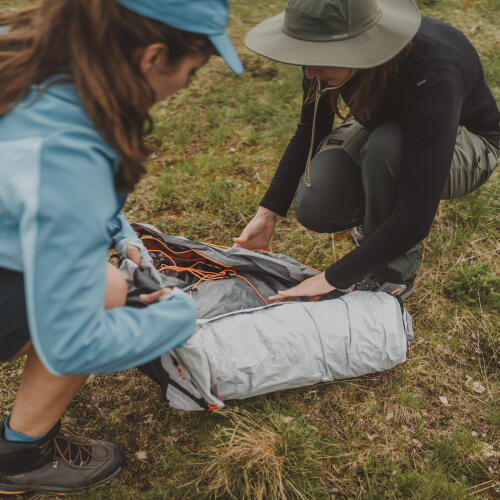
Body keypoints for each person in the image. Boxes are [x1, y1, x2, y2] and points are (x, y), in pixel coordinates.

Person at [0, 0, 243, 495]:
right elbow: (71, 343)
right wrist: (177, 315)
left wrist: (120, 232)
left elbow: (33, 178)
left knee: (105, 281)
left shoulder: (28, 56)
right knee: (104, 294)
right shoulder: (70, 154)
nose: (183, 88)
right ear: (152, 57)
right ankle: (19, 460)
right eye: (191, 74)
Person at [235, 0, 499, 302]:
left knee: (387, 147)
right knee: (316, 204)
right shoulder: (321, 58)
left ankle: (393, 275)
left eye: (317, 60)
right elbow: (309, 132)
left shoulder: (433, 68)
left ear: (358, 47)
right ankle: (380, 225)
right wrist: (267, 213)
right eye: (303, 59)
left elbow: (415, 217)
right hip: (386, 129)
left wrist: (332, 278)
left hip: (468, 144)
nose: (309, 73)